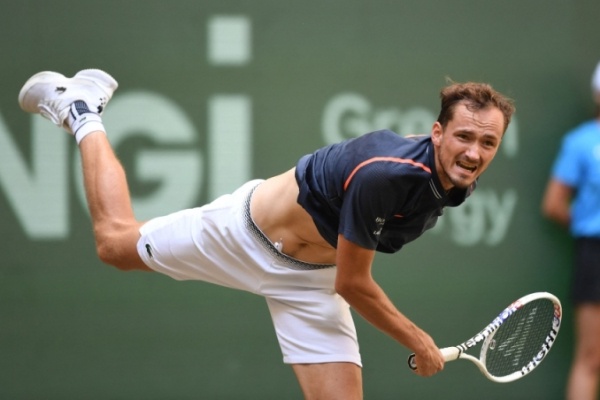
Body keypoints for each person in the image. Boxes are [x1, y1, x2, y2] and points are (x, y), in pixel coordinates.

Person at [18, 69, 515, 400]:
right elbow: (353, 282)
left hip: (313, 279)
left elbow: (340, 273)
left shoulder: (454, 182)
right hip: (244, 237)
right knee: (113, 243)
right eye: (464, 137)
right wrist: (418, 340)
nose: (474, 152)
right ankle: (83, 112)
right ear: (436, 132)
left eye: (488, 142)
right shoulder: (384, 176)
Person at [542, 61, 600, 400]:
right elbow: (554, 204)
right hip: (594, 253)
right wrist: (588, 222)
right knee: (591, 357)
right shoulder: (580, 142)